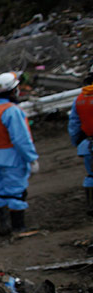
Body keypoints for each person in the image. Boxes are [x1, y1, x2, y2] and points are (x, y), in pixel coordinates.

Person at [0, 72, 40, 235]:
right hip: (13, 157)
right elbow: (21, 139)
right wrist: (32, 158)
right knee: (17, 192)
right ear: (13, 90)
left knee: (2, 192)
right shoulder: (12, 111)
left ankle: (4, 226)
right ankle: (18, 227)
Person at [67, 66, 93, 216]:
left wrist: (78, 143)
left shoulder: (80, 99)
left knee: (91, 175)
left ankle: (91, 205)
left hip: (88, 145)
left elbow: (74, 125)